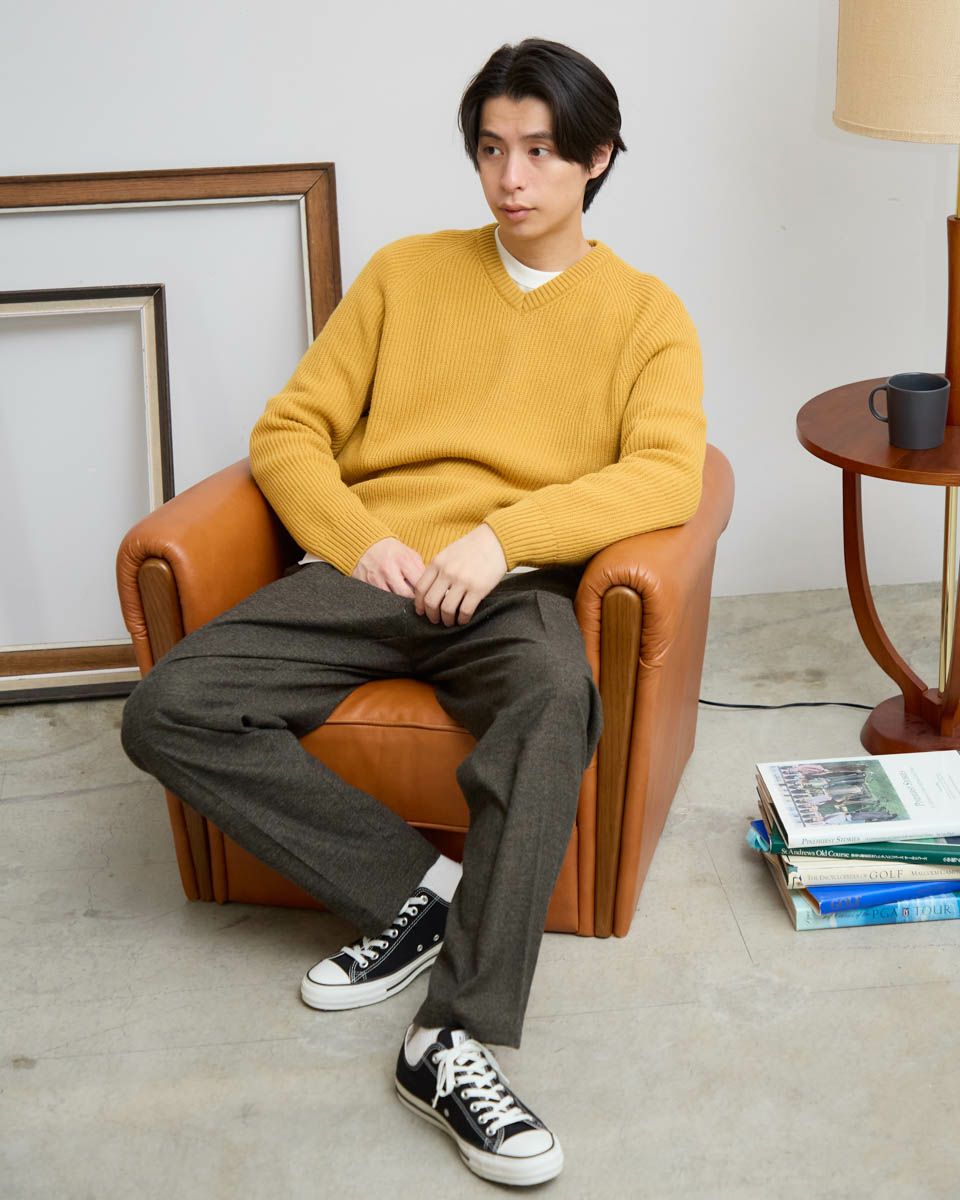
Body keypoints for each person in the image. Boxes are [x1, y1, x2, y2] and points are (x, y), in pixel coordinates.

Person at [121, 37, 706, 1187]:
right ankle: (419, 894)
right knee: (168, 707)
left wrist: (502, 541)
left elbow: (666, 475)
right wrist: (365, 544)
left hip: (511, 589)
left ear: (597, 158)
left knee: (556, 695)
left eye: (540, 152)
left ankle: (452, 1040)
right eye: (490, 150)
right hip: (370, 572)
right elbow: (290, 432)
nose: (510, 179)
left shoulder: (647, 315)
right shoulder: (403, 274)